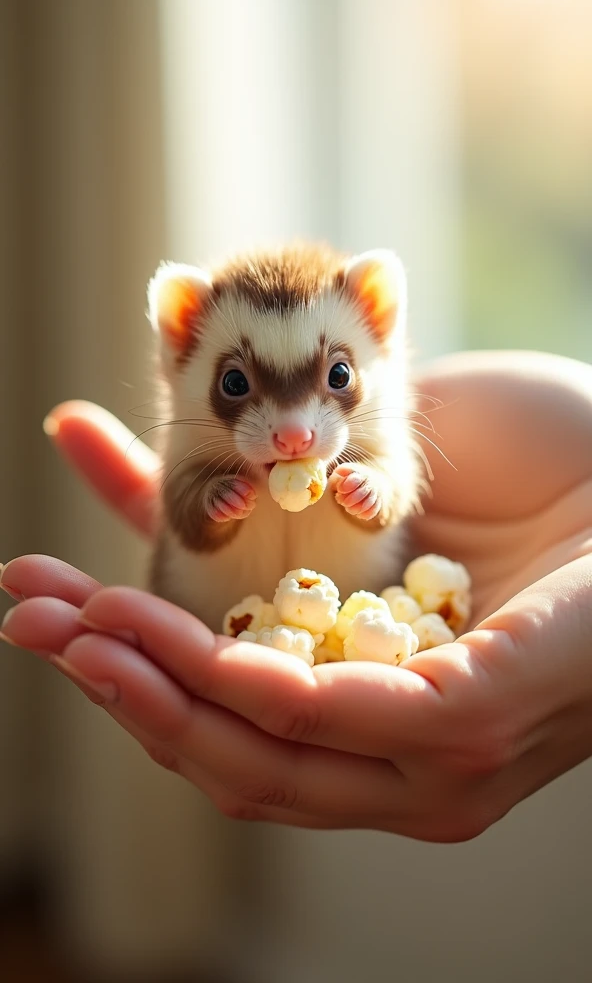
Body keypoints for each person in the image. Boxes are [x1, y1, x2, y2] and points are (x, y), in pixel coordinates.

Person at [2, 349, 592, 841]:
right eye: (237, 385)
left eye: (337, 377)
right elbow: (183, 514)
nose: (292, 430)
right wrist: (209, 504)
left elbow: (394, 483)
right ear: (179, 346)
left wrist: (374, 492)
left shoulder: (378, 435)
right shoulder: (195, 454)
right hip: (218, 611)